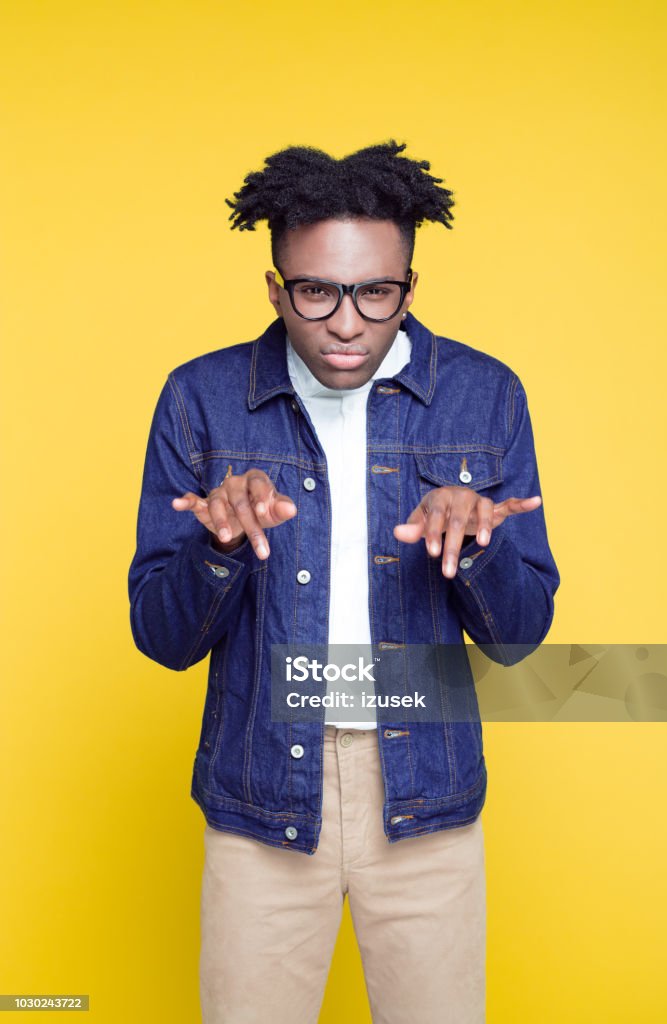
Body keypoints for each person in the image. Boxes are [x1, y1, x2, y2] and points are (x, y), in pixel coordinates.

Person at [128, 140, 560, 1023]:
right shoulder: (199, 400)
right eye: (316, 290)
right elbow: (162, 639)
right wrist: (216, 546)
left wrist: (476, 546)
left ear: (409, 285)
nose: (347, 322)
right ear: (276, 286)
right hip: (259, 797)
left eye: (376, 292)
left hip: (427, 795)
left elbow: (520, 640)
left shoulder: (484, 396)